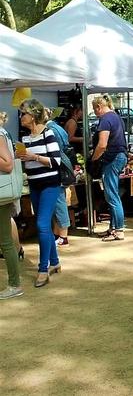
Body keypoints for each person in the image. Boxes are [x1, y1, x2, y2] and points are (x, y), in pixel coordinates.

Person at [18, 99, 62, 288]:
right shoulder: (26, 138)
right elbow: (27, 163)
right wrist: (20, 157)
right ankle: (55, 261)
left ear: (33, 116)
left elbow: (56, 161)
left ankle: (43, 269)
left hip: (50, 185)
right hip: (35, 185)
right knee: (44, 225)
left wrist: (33, 157)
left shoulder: (48, 133)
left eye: (24, 114)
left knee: (42, 224)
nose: (21, 117)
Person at [91, 95, 128, 241]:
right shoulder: (116, 116)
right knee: (112, 194)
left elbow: (102, 145)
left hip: (112, 159)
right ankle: (113, 228)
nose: (95, 113)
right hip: (119, 157)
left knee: (112, 195)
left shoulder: (105, 119)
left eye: (95, 110)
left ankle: (118, 230)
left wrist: (93, 159)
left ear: (99, 107)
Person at [0, 112, 23, 299]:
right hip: (4, 194)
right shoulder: (3, 132)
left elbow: (7, 165)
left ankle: (14, 284)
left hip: (2, 195)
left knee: (5, 241)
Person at [44, 108, 72, 247]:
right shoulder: (57, 127)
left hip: (59, 167)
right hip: (63, 164)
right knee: (58, 201)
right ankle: (58, 234)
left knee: (59, 202)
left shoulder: (50, 130)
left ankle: (63, 236)